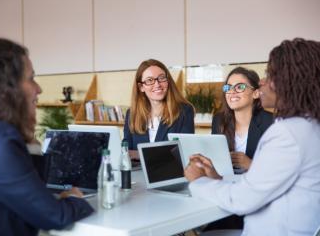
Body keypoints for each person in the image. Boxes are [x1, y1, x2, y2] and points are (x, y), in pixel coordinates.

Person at [185, 38, 320, 235]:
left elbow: (241, 200)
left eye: (269, 75)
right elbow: (263, 183)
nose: (262, 82)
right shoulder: (309, 126)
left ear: (290, 81)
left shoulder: (287, 133)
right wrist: (218, 179)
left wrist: (198, 181)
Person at [0, 37, 93, 236]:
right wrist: (76, 199)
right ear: (6, 88)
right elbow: (55, 216)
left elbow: (28, 193)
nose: (38, 89)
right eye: (31, 78)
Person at [205, 67, 273, 231]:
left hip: (256, 195)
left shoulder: (270, 122)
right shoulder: (219, 120)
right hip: (225, 188)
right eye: (228, 87)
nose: (232, 92)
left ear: (256, 93)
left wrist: (250, 164)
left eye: (240, 87)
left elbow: (277, 171)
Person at [123, 59, 195, 159]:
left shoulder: (184, 111)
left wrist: (140, 154)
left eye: (161, 78)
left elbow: (183, 151)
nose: (157, 84)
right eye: (149, 80)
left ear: (168, 81)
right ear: (141, 87)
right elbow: (125, 151)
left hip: (170, 173)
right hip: (137, 173)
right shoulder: (132, 114)